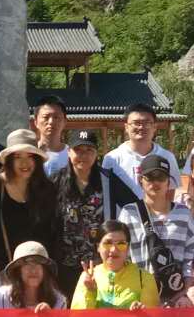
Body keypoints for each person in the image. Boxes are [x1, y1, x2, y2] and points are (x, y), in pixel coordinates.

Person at [50, 128, 139, 298]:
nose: (83, 155)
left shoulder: (108, 180)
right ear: (69, 152)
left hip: (100, 263)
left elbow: (133, 206)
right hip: (64, 264)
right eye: (78, 150)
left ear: (96, 153)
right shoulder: (55, 181)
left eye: (89, 150)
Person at [0, 129, 60, 279]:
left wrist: (47, 267)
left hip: (41, 270)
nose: (24, 163)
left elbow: (53, 232)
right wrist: (3, 268)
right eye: (17, 157)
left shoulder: (47, 188)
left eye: (30, 156)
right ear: (9, 159)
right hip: (7, 270)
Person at [118, 152, 194, 303]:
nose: (155, 182)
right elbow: (122, 253)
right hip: (138, 297)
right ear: (140, 180)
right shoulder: (129, 213)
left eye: (161, 177)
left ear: (168, 182)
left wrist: (184, 292)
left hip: (177, 297)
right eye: (150, 177)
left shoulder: (183, 213)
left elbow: (193, 254)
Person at [72, 220, 159, 310]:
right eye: (108, 243)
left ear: (128, 248)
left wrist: (140, 312)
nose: (113, 250)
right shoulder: (87, 277)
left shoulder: (144, 278)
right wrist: (90, 291)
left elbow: (153, 316)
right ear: (98, 247)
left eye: (121, 244)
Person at [102, 103, 180, 194]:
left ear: (155, 127)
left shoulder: (167, 157)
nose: (141, 127)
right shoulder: (112, 159)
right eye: (136, 123)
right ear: (126, 127)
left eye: (146, 123)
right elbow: (106, 191)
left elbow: (170, 191)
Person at [0, 241, 67, 310]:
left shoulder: (59, 302)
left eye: (37, 265)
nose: (33, 270)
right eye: (27, 265)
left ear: (45, 271)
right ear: (18, 271)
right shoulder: (1, 298)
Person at [33, 96, 69, 176]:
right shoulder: (30, 154)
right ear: (36, 122)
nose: (51, 122)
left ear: (65, 122)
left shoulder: (72, 155)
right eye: (46, 117)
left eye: (56, 117)